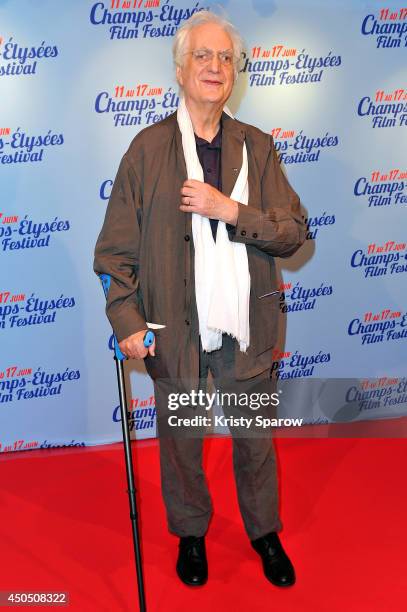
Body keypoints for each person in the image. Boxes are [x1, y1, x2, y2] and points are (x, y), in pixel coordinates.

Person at [94, 10, 305, 589]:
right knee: (183, 443)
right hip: (174, 330)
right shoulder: (147, 149)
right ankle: (191, 531)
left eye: (225, 58)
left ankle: (264, 531)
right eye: (202, 56)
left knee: (254, 442)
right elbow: (114, 252)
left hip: (246, 329)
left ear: (236, 73)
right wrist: (127, 318)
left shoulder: (258, 149)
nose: (214, 67)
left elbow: (294, 232)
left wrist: (231, 211)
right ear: (181, 69)